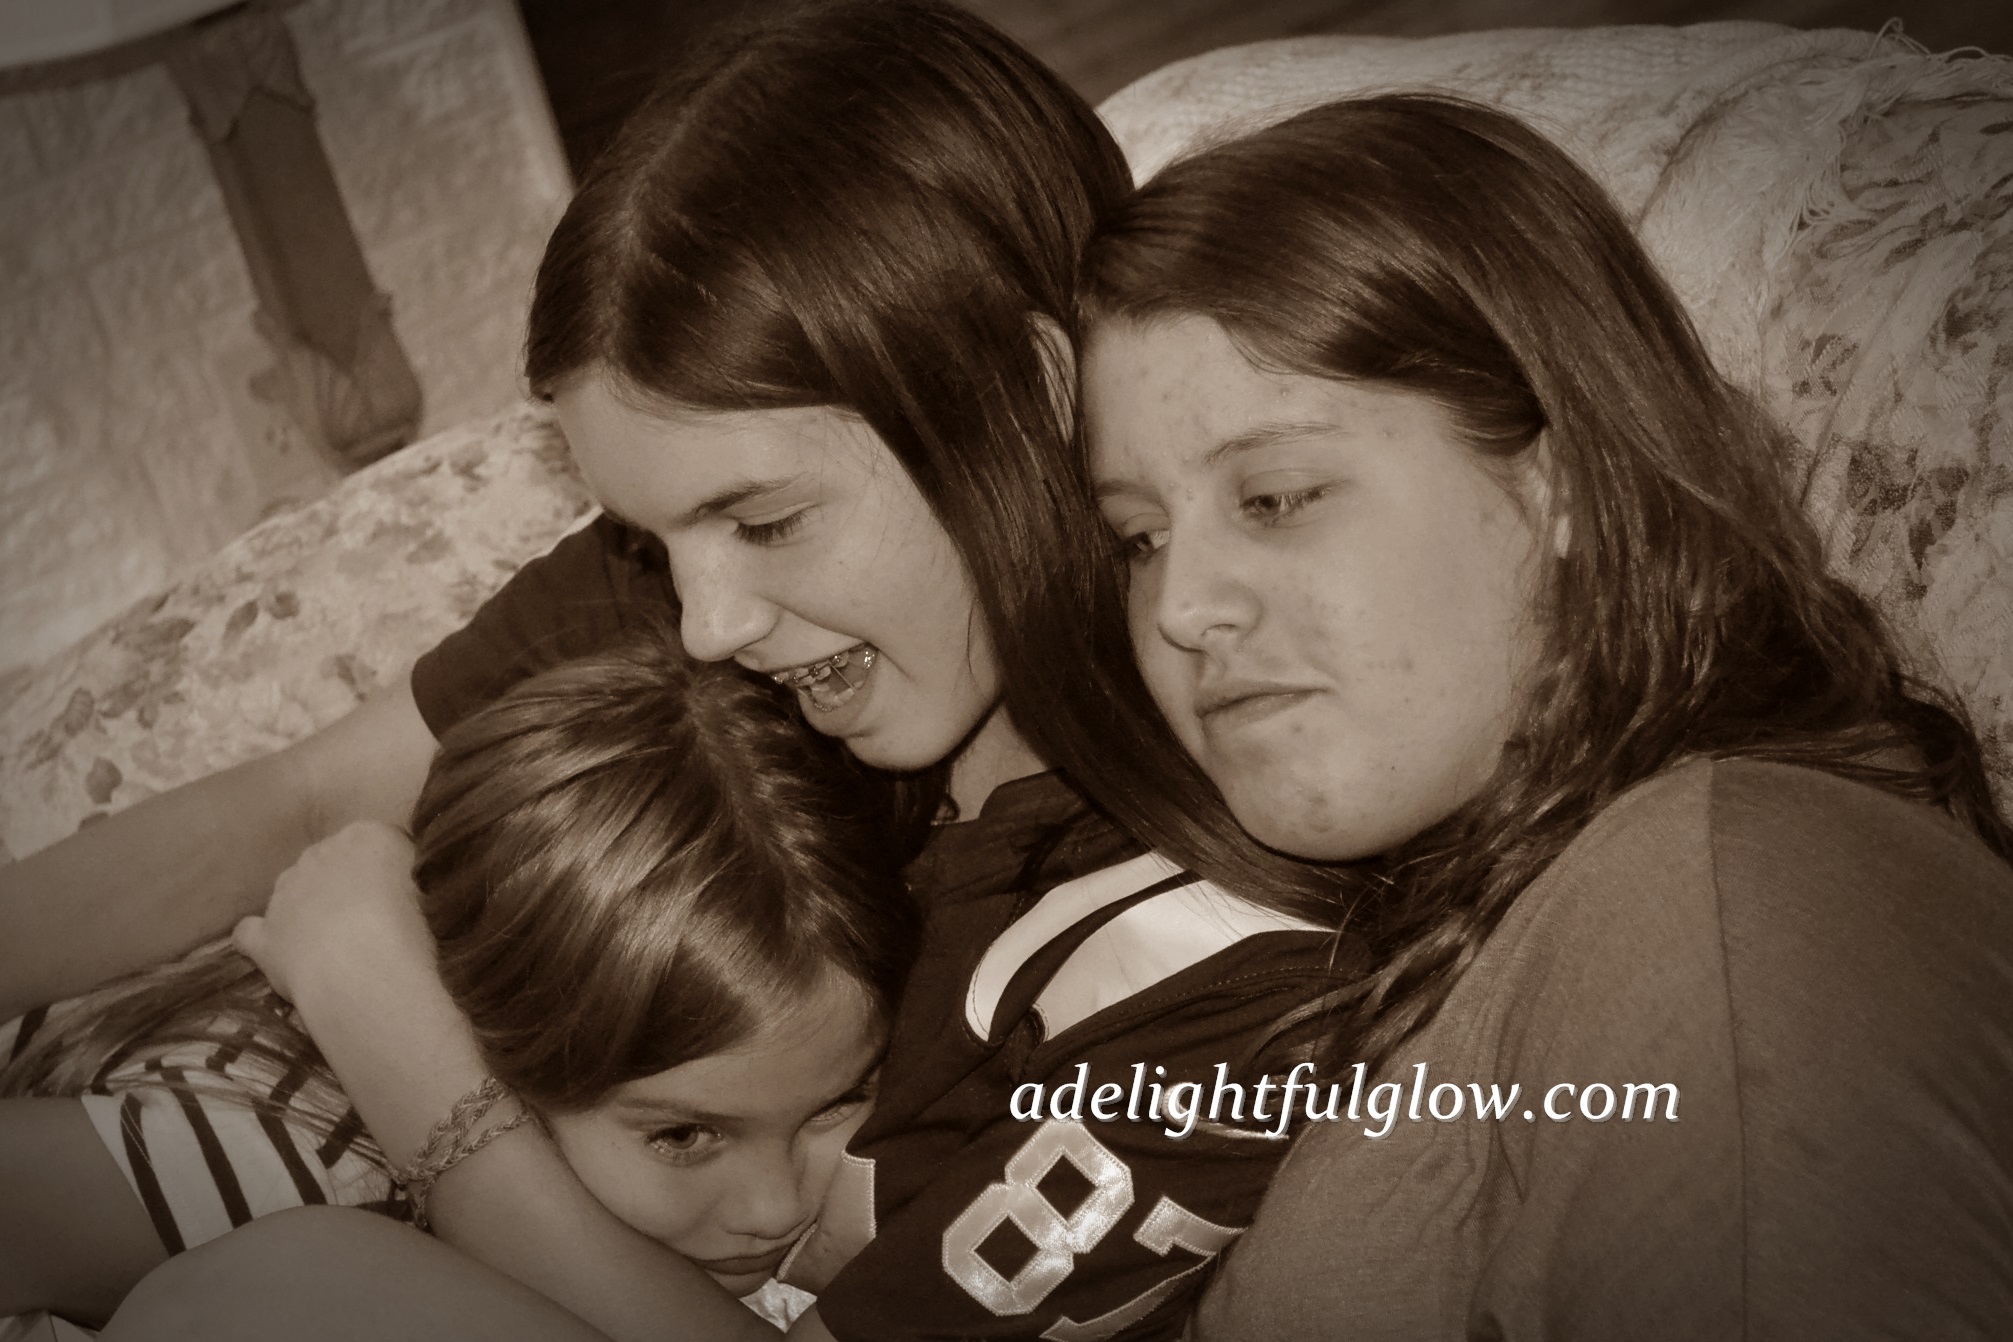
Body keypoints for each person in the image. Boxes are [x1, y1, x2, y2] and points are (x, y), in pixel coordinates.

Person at [7, 3, 1358, 1340]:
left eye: (763, 521)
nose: (706, 625)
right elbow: (301, 802)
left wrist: (416, 1067)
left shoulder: (1217, 956)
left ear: (1025, 390)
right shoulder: (758, 609)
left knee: (275, 1288)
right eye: (655, 538)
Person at [1072, 93, 2013, 1337]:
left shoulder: (1717, 911)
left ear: (1563, 483)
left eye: (1278, 497)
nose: (1182, 607)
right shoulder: (1526, 902)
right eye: (1138, 538)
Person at [1, 632, 923, 1332]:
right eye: (682, 1135)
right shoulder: (301, 1160)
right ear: (493, 1046)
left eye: (837, 1102)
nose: (775, 1207)